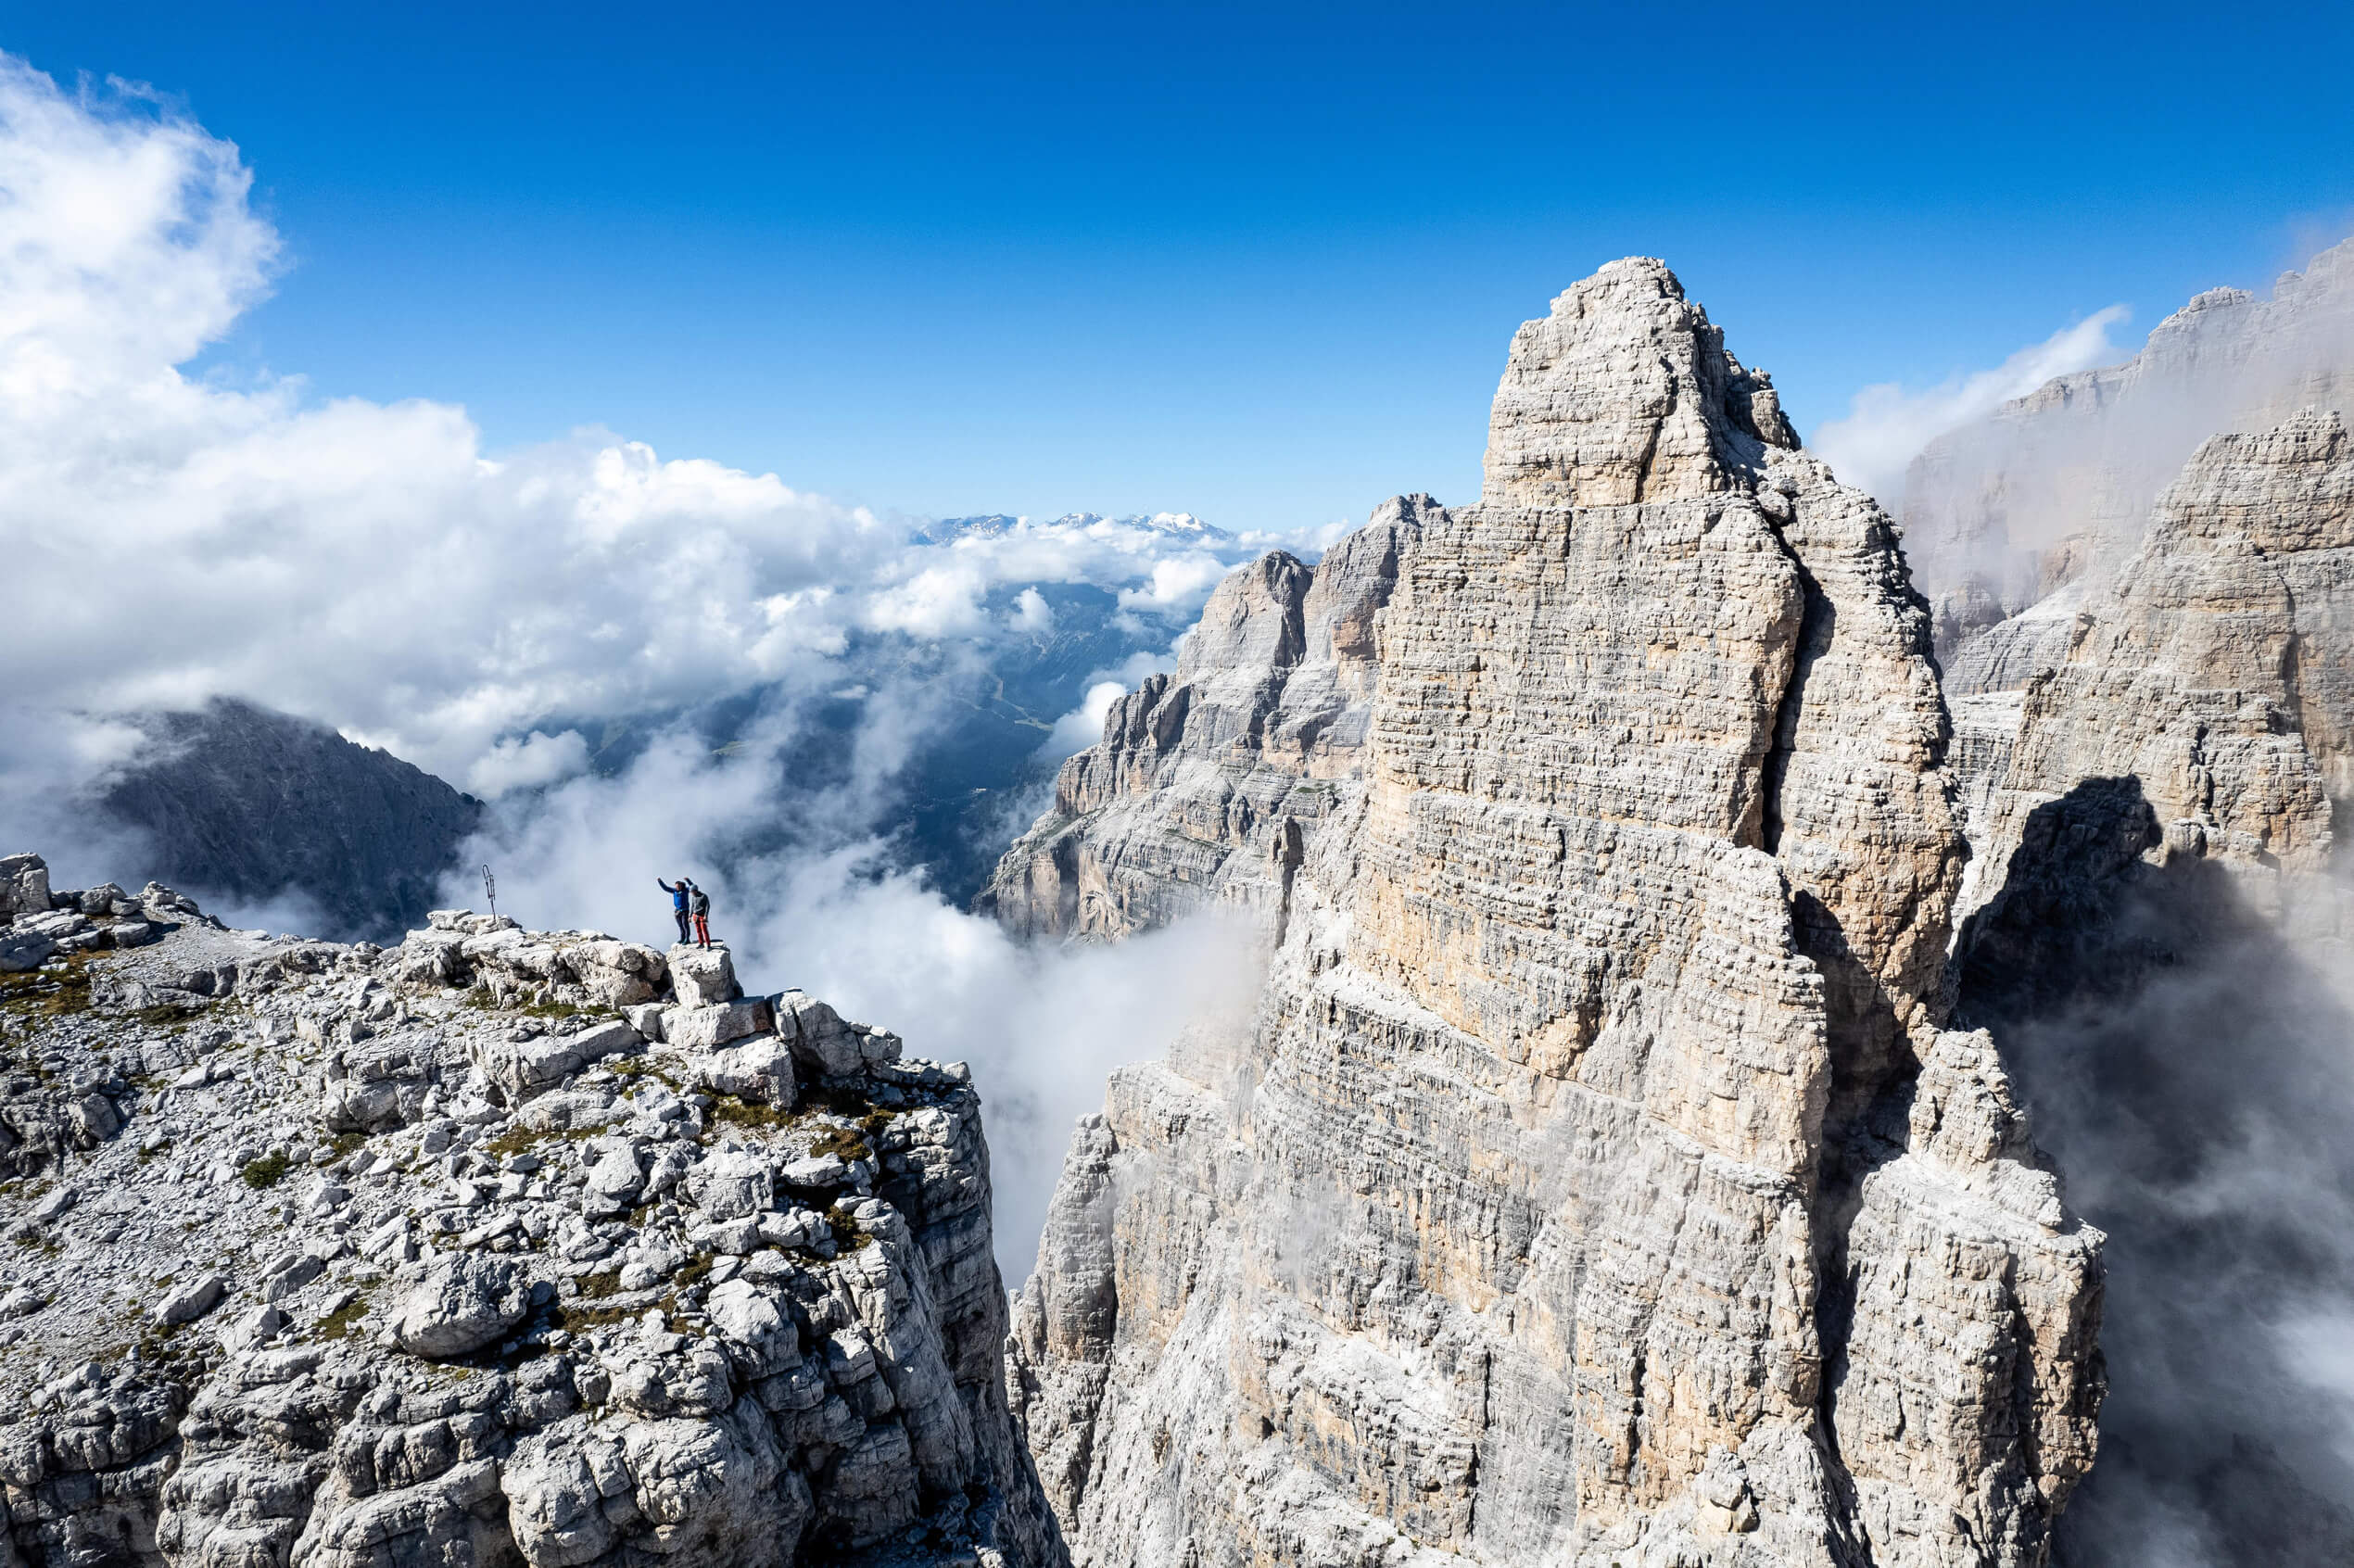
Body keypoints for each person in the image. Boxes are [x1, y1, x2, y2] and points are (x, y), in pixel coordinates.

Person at [656, 877, 691, 944]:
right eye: (676, 886)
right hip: (677, 911)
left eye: (679, 886)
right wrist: (660, 881)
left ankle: (687, 939)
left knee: (685, 925)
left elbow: (692, 886)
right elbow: (665, 888)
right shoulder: (674, 891)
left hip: (685, 910)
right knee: (680, 925)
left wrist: (688, 880)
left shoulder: (686, 890)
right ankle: (682, 938)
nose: (677, 887)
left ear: (681, 886)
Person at [689, 880, 713, 949]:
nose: (691, 893)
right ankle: (701, 943)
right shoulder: (693, 897)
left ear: (695, 890)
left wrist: (706, 915)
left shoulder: (703, 896)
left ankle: (708, 945)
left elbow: (708, 906)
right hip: (695, 916)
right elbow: (692, 907)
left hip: (702, 916)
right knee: (698, 930)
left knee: (704, 930)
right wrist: (690, 916)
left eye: (692, 891)